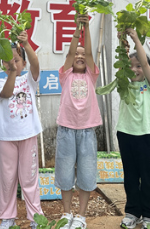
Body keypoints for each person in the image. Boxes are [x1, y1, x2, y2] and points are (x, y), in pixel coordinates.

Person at [0, 31, 44, 229]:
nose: (12, 63)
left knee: (29, 178)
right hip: (7, 138)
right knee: (8, 178)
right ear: (2, 63)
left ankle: (35, 218)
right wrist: (11, 71)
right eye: (7, 60)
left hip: (28, 135)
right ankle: (7, 218)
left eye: (17, 60)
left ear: (23, 62)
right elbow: (6, 93)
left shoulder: (30, 79)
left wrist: (27, 45)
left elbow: (36, 64)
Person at [54, 14, 101, 229]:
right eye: (76, 54)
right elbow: (73, 51)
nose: (80, 56)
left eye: (83, 55)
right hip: (66, 130)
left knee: (87, 172)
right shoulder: (66, 75)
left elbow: (89, 52)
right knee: (64, 172)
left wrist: (87, 27)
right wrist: (76, 29)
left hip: (86, 131)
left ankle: (81, 216)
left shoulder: (92, 75)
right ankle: (66, 213)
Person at [117, 28, 150, 229]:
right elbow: (122, 64)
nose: (135, 70)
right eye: (131, 67)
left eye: (139, 66)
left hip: (146, 135)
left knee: (148, 177)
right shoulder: (124, 84)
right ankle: (132, 212)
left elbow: (143, 62)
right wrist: (121, 40)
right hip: (125, 134)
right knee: (131, 176)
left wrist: (135, 39)